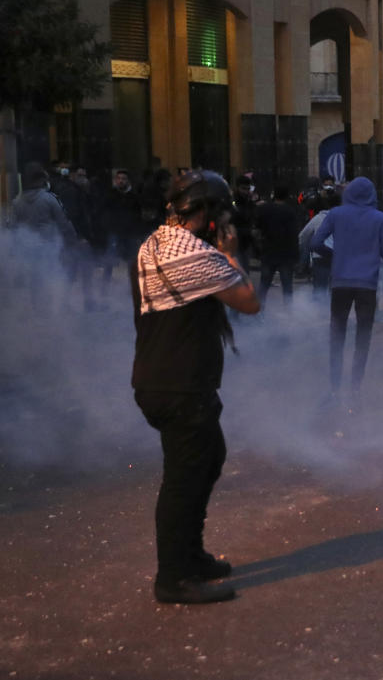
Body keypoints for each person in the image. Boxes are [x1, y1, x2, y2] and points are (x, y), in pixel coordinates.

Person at [130, 170, 260, 604]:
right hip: (181, 386)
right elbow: (249, 302)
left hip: (161, 379)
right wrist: (231, 253)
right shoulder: (198, 255)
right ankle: (173, 577)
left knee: (208, 459)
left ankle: (192, 555)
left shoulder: (153, 243)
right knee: (184, 479)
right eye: (221, 213)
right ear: (206, 214)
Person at [311, 177, 383, 401]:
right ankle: (355, 387)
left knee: (337, 334)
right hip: (367, 285)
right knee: (363, 337)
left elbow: (315, 243)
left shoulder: (336, 214)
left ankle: (334, 386)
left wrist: (335, 256)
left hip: (340, 282)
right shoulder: (380, 218)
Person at [254, 185, 302, 307]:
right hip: (285, 254)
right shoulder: (290, 211)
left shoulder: (264, 209)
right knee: (287, 286)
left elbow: (257, 228)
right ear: (286, 196)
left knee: (264, 284)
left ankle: (259, 312)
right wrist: (296, 255)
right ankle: (288, 312)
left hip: (268, 251)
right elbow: (293, 234)